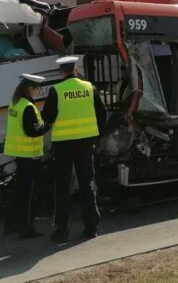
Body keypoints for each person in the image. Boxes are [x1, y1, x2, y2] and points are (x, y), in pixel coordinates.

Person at [42, 56, 107, 242]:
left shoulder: (56, 90)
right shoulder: (89, 88)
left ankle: (62, 231)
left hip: (63, 144)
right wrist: (97, 136)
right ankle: (92, 227)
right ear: (76, 69)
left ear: (61, 71)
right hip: (86, 143)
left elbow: (48, 117)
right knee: (87, 184)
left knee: (62, 187)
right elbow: (102, 113)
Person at [4, 73, 51, 239]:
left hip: (19, 154)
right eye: (36, 89)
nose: (37, 92)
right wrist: (48, 126)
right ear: (28, 89)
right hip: (30, 156)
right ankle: (27, 228)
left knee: (19, 192)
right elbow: (32, 131)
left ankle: (11, 224)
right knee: (29, 194)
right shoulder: (28, 107)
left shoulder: (15, 104)